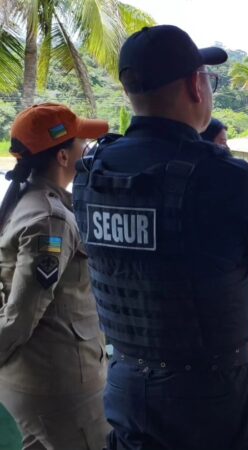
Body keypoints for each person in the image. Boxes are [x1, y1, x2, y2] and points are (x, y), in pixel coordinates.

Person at [71, 25, 248, 450]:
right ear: (197, 85)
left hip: (125, 382)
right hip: (211, 395)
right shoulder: (231, 179)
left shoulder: (91, 174)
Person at [0, 103, 110, 449]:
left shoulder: (23, 201)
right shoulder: (50, 220)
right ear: (63, 158)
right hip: (59, 389)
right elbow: (21, 315)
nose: (87, 149)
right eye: (81, 143)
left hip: (34, 378)